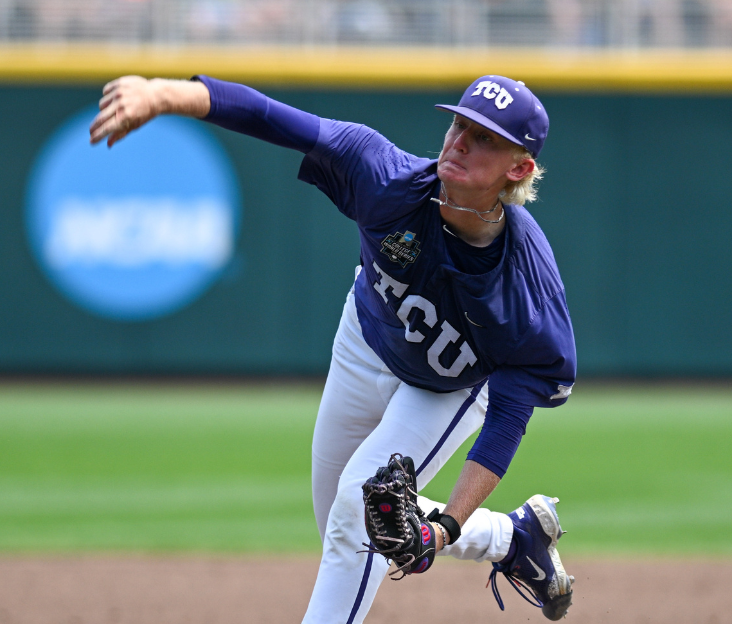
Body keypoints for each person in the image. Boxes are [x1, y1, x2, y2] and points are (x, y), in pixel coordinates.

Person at [89, 73, 577, 622]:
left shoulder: (527, 294)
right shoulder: (387, 177)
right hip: (364, 343)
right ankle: (513, 538)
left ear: (520, 168)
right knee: (343, 525)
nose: (460, 141)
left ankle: (499, 538)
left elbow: (506, 422)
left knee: (356, 511)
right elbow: (272, 116)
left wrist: (445, 526)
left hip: (448, 386)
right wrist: (163, 95)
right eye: (459, 124)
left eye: (484, 137)